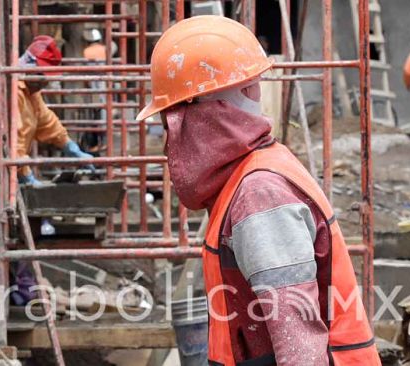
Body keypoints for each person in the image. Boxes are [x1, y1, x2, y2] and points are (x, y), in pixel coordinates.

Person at [137, 16, 380, 365]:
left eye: (170, 121)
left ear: (203, 113)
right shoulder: (249, 175)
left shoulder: (260, 193)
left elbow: (299, 344)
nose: (169, 141)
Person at [0, 35, 93, 306]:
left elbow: (45, 122)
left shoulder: (29, 92)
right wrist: (26, 175)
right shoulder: (9, 87)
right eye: (44, 75)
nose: (47, 82)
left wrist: (69, 146)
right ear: (30, 66)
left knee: (7, 233)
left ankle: (2, 295)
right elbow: (11, 139)